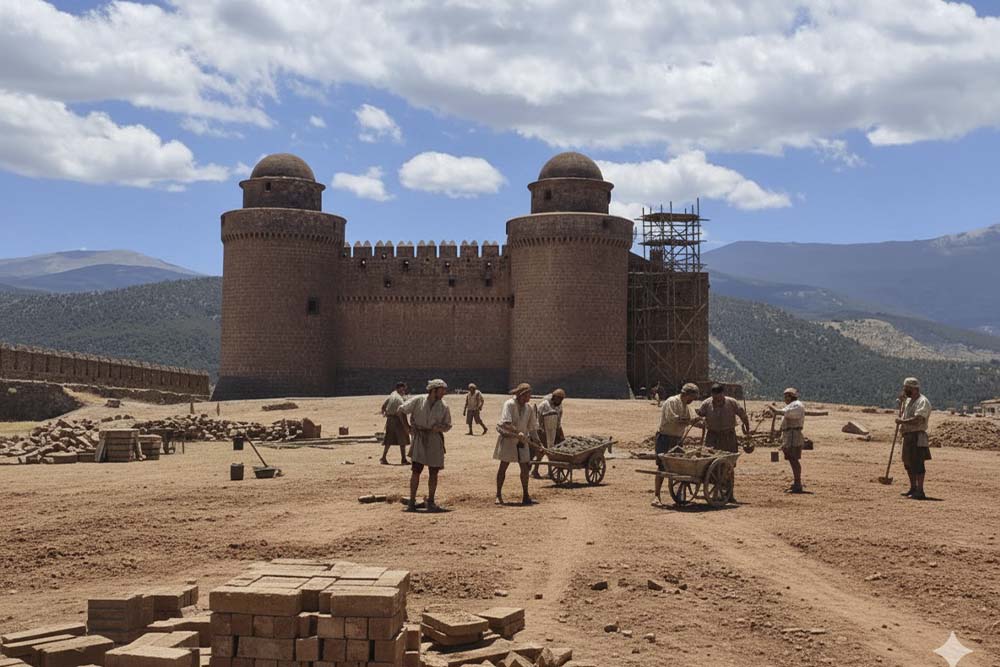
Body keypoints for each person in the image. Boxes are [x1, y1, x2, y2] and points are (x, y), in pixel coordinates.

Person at [398, 379, 453, 512]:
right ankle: (411, 502)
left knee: (434, 472)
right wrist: (407, 428)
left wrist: (439, 427)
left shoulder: (444, 406)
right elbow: (401, 410)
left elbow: (448, 425)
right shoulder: (418, 400)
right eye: (442, 390)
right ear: (434, 390)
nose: (444, 393)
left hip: (435, 440)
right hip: (420, 439)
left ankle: (431, 501)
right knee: (416, 471)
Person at [696, 383, 751, 502]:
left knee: (729, 465)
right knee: (710, 464)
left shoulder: (732, 402)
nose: (717, 400)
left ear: (723, 394)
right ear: (712, 395)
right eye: (715, 398)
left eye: (719, 397)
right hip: (712, 437)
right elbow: (700, 414)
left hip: (728, 437)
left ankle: (729, 494)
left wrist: (747, 429)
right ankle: (715, 492)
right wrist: (697, 416)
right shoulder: (706, 403)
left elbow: (743, 415)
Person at [652, 383, 701, 507]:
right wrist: (690, 421)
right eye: (692, 398)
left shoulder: (687, 406)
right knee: (662, 467)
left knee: (680, 467)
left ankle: (679, 496)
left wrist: (702, 424)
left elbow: (691, 420)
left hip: (678, 440)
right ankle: (656, 496)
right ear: (686, 394)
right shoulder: (672, 402)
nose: (693, 401)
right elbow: (674, 418)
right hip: (665, 438)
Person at [494, 382, 539, 505]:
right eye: (526, 396)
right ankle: (498, 494)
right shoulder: (509, 404)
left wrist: (538, 442)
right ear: (520, 395)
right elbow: (505, 423)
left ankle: (525, 495)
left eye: (529, 396)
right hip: (509, 439)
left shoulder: (528, 408)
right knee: (503, 466)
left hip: (522, 441)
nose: (528, 398)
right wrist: (517, 431)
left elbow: (532, 427)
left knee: (525, 468)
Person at [897, 377, 932, 500]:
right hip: (907, 435)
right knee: (908, 463)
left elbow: (919, 419)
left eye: (907, 388)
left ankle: (920, 490)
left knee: (917, 463)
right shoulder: (908, 401)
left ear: (914, 389)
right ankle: (913, 488)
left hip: (917, 436)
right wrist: (901, 403)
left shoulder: (923, 402)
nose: (904, 390)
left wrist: (902, 421)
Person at [766, 388, 806, 493]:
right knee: (792, 459)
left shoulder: (797, 405)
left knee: (794, 459)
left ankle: (798, 483)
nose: (784, 399)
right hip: (789, 434)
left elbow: (781, 412)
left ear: (790, 396)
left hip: (794, 435)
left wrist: (771, 406)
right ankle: (796, 483)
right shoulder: (791, 406)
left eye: (786, 396)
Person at [531, 388, 565, 479]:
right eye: (559, 399)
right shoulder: (544, 405)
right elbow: (537, 418)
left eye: (562, 399)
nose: (560, 401)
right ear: (554, 397)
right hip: (543, 431)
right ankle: (535, 471)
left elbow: (559, 420)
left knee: (552, 452)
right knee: (541, 451)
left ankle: (550, 472)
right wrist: (540, 431)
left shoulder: (559, 406)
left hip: (553, 431)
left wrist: (560, 434)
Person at [379, 382, 410, 465]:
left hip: (390, 420)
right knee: (403, 439)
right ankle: (403, 459)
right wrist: (405, 425)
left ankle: (383, 457)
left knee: (388, 439)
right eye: (403, 389)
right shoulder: (399, 398)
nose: (404, 391)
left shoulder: (391, 395)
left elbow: (383, 407)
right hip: (398, 419)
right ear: (399, 388)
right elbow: (401, 413)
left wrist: (386, 414)